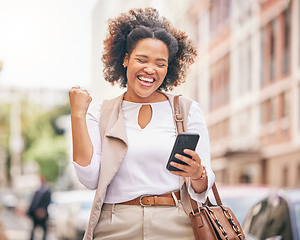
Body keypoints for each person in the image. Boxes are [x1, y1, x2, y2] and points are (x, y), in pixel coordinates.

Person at [69, 7, 215, 240]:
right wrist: (77, 115)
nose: (150, 69)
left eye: (160, 63)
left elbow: (202, 188)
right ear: (125, 59)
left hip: (176, 223)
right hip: (115, 225)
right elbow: (90, 179)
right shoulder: (100, 112)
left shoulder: (187, 111)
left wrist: (198, 173)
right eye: (142, 59)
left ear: (169, 68)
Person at [27, 176, 51, 240]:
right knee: (34, 228)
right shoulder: (38, 191)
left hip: (42, 213)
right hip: (35, 213)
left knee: (44, 229)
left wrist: (42, 210)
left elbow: (47, 202)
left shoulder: (47, 192)